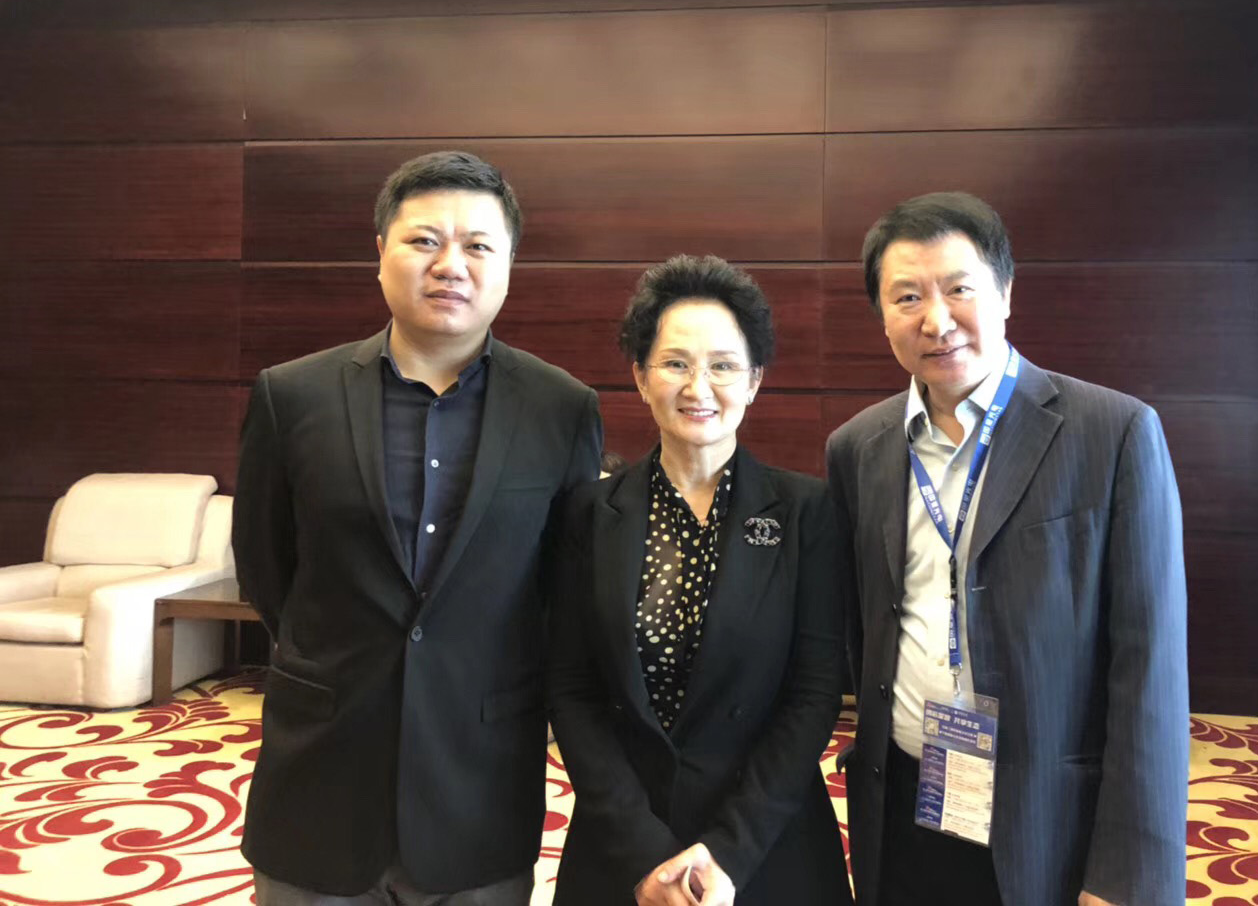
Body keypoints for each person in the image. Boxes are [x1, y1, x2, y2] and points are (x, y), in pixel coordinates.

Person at [234, 151, 602, 906]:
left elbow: (564, 589)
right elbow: (268, 569)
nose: (450, 265)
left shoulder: (562, 408)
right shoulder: (290, 395)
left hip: (479, 784)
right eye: (424, 240)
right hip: (321, 778)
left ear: (509, 265)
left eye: (478, 245)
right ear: (381, 253)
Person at [826, 193, 1188, 906]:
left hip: (1051, 816)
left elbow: (1150, 669)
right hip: (904, 798)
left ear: (1006, 292)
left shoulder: (1112, 434)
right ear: (882, 317)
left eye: (959, 288)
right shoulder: (856, 448)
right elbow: (855, 632)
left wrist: (1127, 876)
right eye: (907, 297)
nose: (936, 321)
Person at [546, 255, 852, 906]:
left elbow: (814, 694)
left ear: (755, 380)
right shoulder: (588, 512)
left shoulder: (806, 512)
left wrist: (729, 852)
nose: (698, 386)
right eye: (675, 363)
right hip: (624, 843)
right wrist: (643, 852)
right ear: (640, 375)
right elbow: (572, 690)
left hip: (766, 842)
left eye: (723, 365)